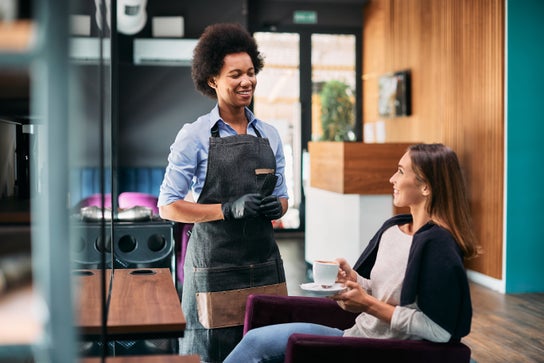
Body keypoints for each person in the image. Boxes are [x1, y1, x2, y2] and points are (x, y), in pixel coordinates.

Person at [224, 143, 480, 363]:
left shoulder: (439, 246)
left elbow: (439, 331)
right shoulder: (393, 229)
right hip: (356, 336)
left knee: (257, 344)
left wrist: (367, 304)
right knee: (256, 340)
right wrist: (354, 281)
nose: (392, 179)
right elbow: (385, 291)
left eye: (401, 172)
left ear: (426, 187)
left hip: (376, 350)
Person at [157, 23, 289, 363]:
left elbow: (285, 197)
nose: (246, 81)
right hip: (215, 269)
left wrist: (278, 206)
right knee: (211, 353)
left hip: (264, 267)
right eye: (235, 75)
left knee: (269, 349)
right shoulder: (195, 136)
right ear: (212, 79)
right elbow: (168, 206)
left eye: (250, 73)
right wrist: (227, 209)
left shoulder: (270, 135)